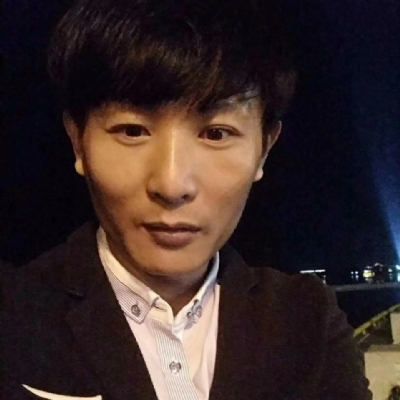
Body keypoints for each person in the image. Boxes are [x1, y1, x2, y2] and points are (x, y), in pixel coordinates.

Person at [1, 0, 372, 399]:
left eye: (216, 133)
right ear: (78, 141)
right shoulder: (14, 316)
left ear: (264, 149)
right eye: (132, 130)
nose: (172, 184)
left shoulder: (307, 321)